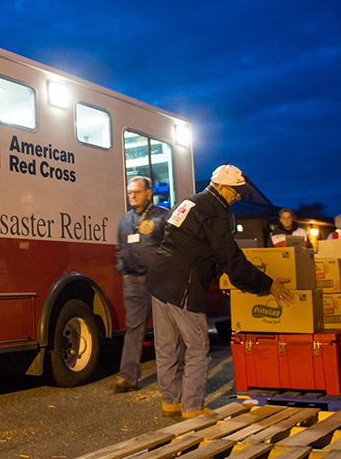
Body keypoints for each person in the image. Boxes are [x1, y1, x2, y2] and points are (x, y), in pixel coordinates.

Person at [145, 164, 293, 419]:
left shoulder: (188, 202)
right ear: (221, 187)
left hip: (159, 280)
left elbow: (190, 245)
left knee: (166, 346)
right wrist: (268, 284)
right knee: (197, 346)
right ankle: (192, 408)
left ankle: (171, 402)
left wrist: (220, 275)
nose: (238, 197)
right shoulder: (214, 211)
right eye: (235, 192)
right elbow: (232, 260)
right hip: (183, 285)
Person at [113, 176, 171, 393]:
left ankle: (174, 375)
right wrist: (123, 271)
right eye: (130, 192)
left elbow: (171, 246)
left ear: (149, 193)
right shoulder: (125, 220)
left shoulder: (162, 217)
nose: (132, 196)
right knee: (133, 330)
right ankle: (128, 378)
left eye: (136, 192)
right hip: (134, 282)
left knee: (166, 330)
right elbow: (119, 248)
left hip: (159, 281)